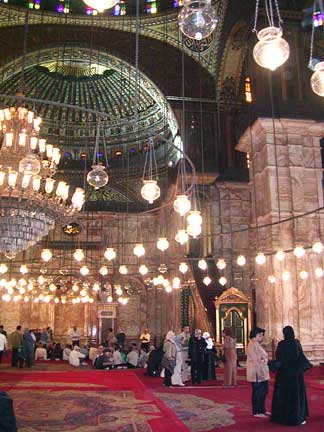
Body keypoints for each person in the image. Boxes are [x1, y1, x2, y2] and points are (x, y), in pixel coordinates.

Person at [271, 326, 309, 426]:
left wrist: (271, 365)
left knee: (284, 396)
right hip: (296, 375)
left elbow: (279, 359)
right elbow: (301, 357)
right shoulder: (296, 343)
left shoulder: (281, 344)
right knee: (296, 397)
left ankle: (282, 418)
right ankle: (298, 418)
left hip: (283, 375)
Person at [246, 327, 270, 418]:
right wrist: (263, 360)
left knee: (263, 392)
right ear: (255, 334)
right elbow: (255, 359)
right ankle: (257, 411)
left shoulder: (256, 344)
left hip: (262, 371)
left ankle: (262, 410)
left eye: (262, 335)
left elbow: (263, 357)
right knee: (257, 392)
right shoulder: (252, 344)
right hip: (256, 372)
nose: (262, 336)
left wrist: (264, 360)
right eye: (261, 334)